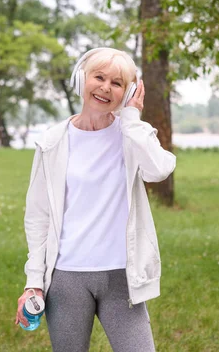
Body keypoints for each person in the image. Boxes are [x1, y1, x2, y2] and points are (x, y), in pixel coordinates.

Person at [15, 47, 176, 351]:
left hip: (121, 277)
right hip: (67, 278)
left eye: (117, 83)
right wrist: (33, 282)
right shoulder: (52, 142)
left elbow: (160, 170)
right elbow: (37, 217)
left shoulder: (131, 135)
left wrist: (131, 118)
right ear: (81, 79)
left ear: (127, 92)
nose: (105, 87)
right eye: (99, 77)